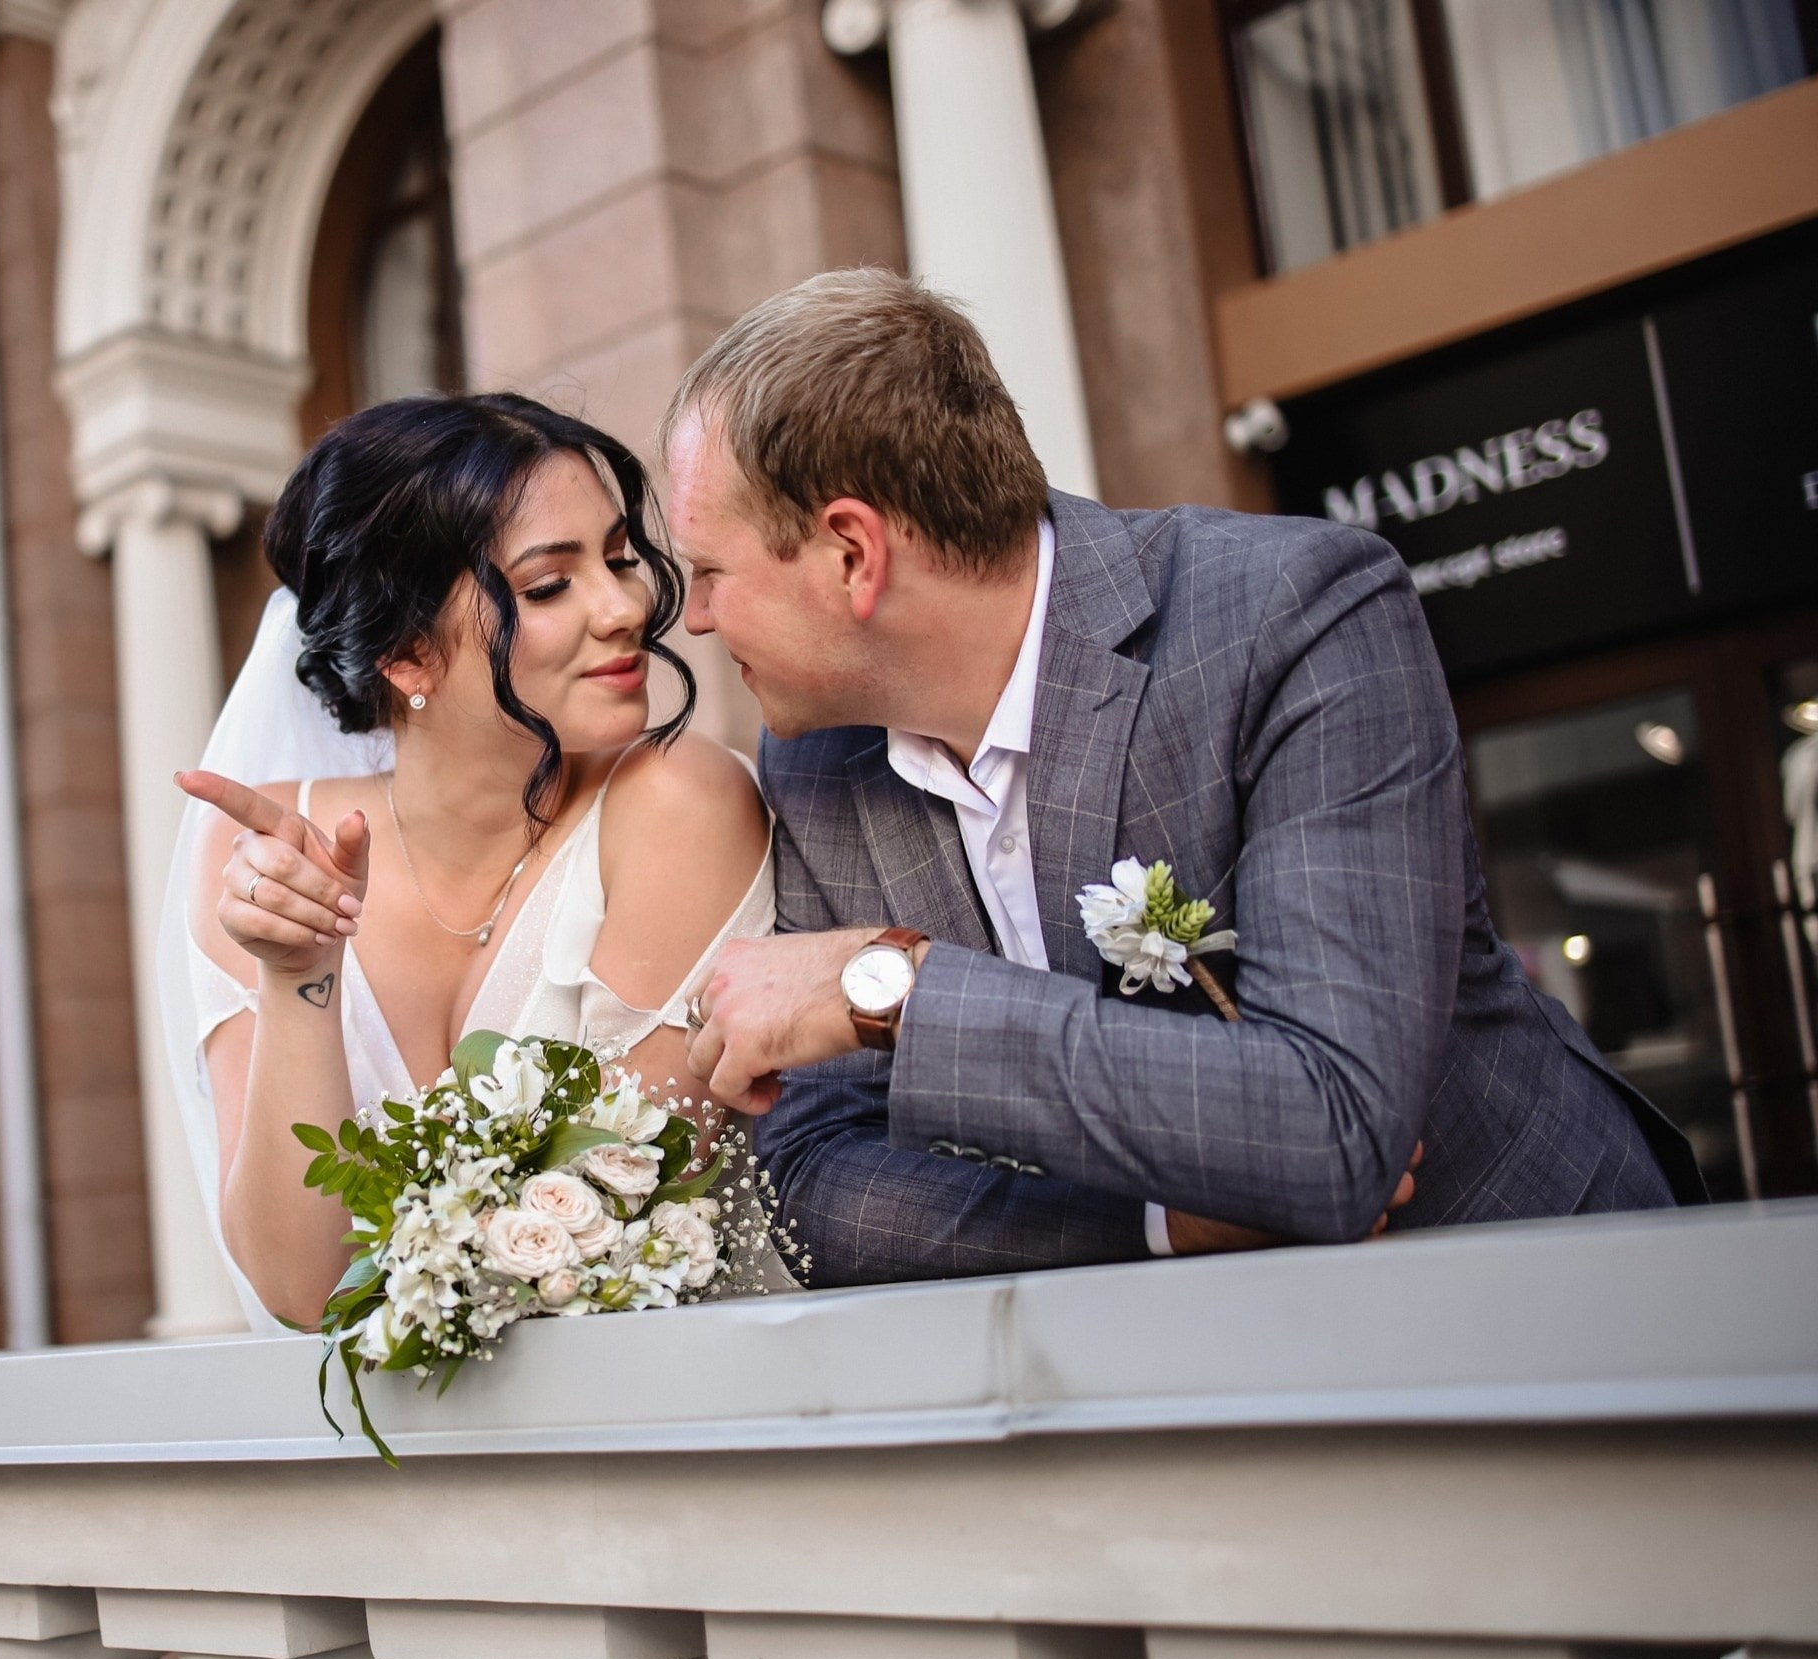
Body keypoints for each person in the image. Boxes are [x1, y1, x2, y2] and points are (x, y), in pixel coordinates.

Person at [671, 268, 1704, 1286]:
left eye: (711, 572)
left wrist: (889, 986)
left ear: (852, 553)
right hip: (1196, 1363)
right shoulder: (818, 760)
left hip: (1542, 1287)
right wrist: (1158, 1226)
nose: (698, 619)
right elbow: (823, 1192)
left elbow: (1337, 1126)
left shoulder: (1294, 614)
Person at [169, 394, 773, 1330]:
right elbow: (302, 1289)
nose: (627, 608)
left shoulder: (678, 804)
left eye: (619, 559)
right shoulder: (267, 852)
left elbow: (605, 1228)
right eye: (549, 585)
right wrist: (299, 975)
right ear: (408, 655)